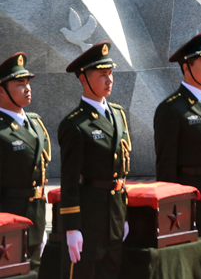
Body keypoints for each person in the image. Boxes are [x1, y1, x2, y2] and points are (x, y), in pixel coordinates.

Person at [154, 31, 201, 276]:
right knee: (192, 265)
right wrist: (171, 211)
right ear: (187, 67)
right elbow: (166, 167)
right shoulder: (172, 108)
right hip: (190, 202)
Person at [58, 42, 131, 278]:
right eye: (102, 75)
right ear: (83, 79)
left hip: (116, 214)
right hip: (90, 216)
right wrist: (71, 227)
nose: (109, 80)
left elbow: (121, 169)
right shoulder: (74, 125)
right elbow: (69, 182)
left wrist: (124, 214)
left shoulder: (118, 114)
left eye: (110, 74)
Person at [0, 52, 50, 271]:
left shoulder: (35, 122)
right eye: (20, 84)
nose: (27, 88)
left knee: (37, 270)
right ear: (1, 91)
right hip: (10, 214)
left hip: (37, 214)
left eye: (28, 82)